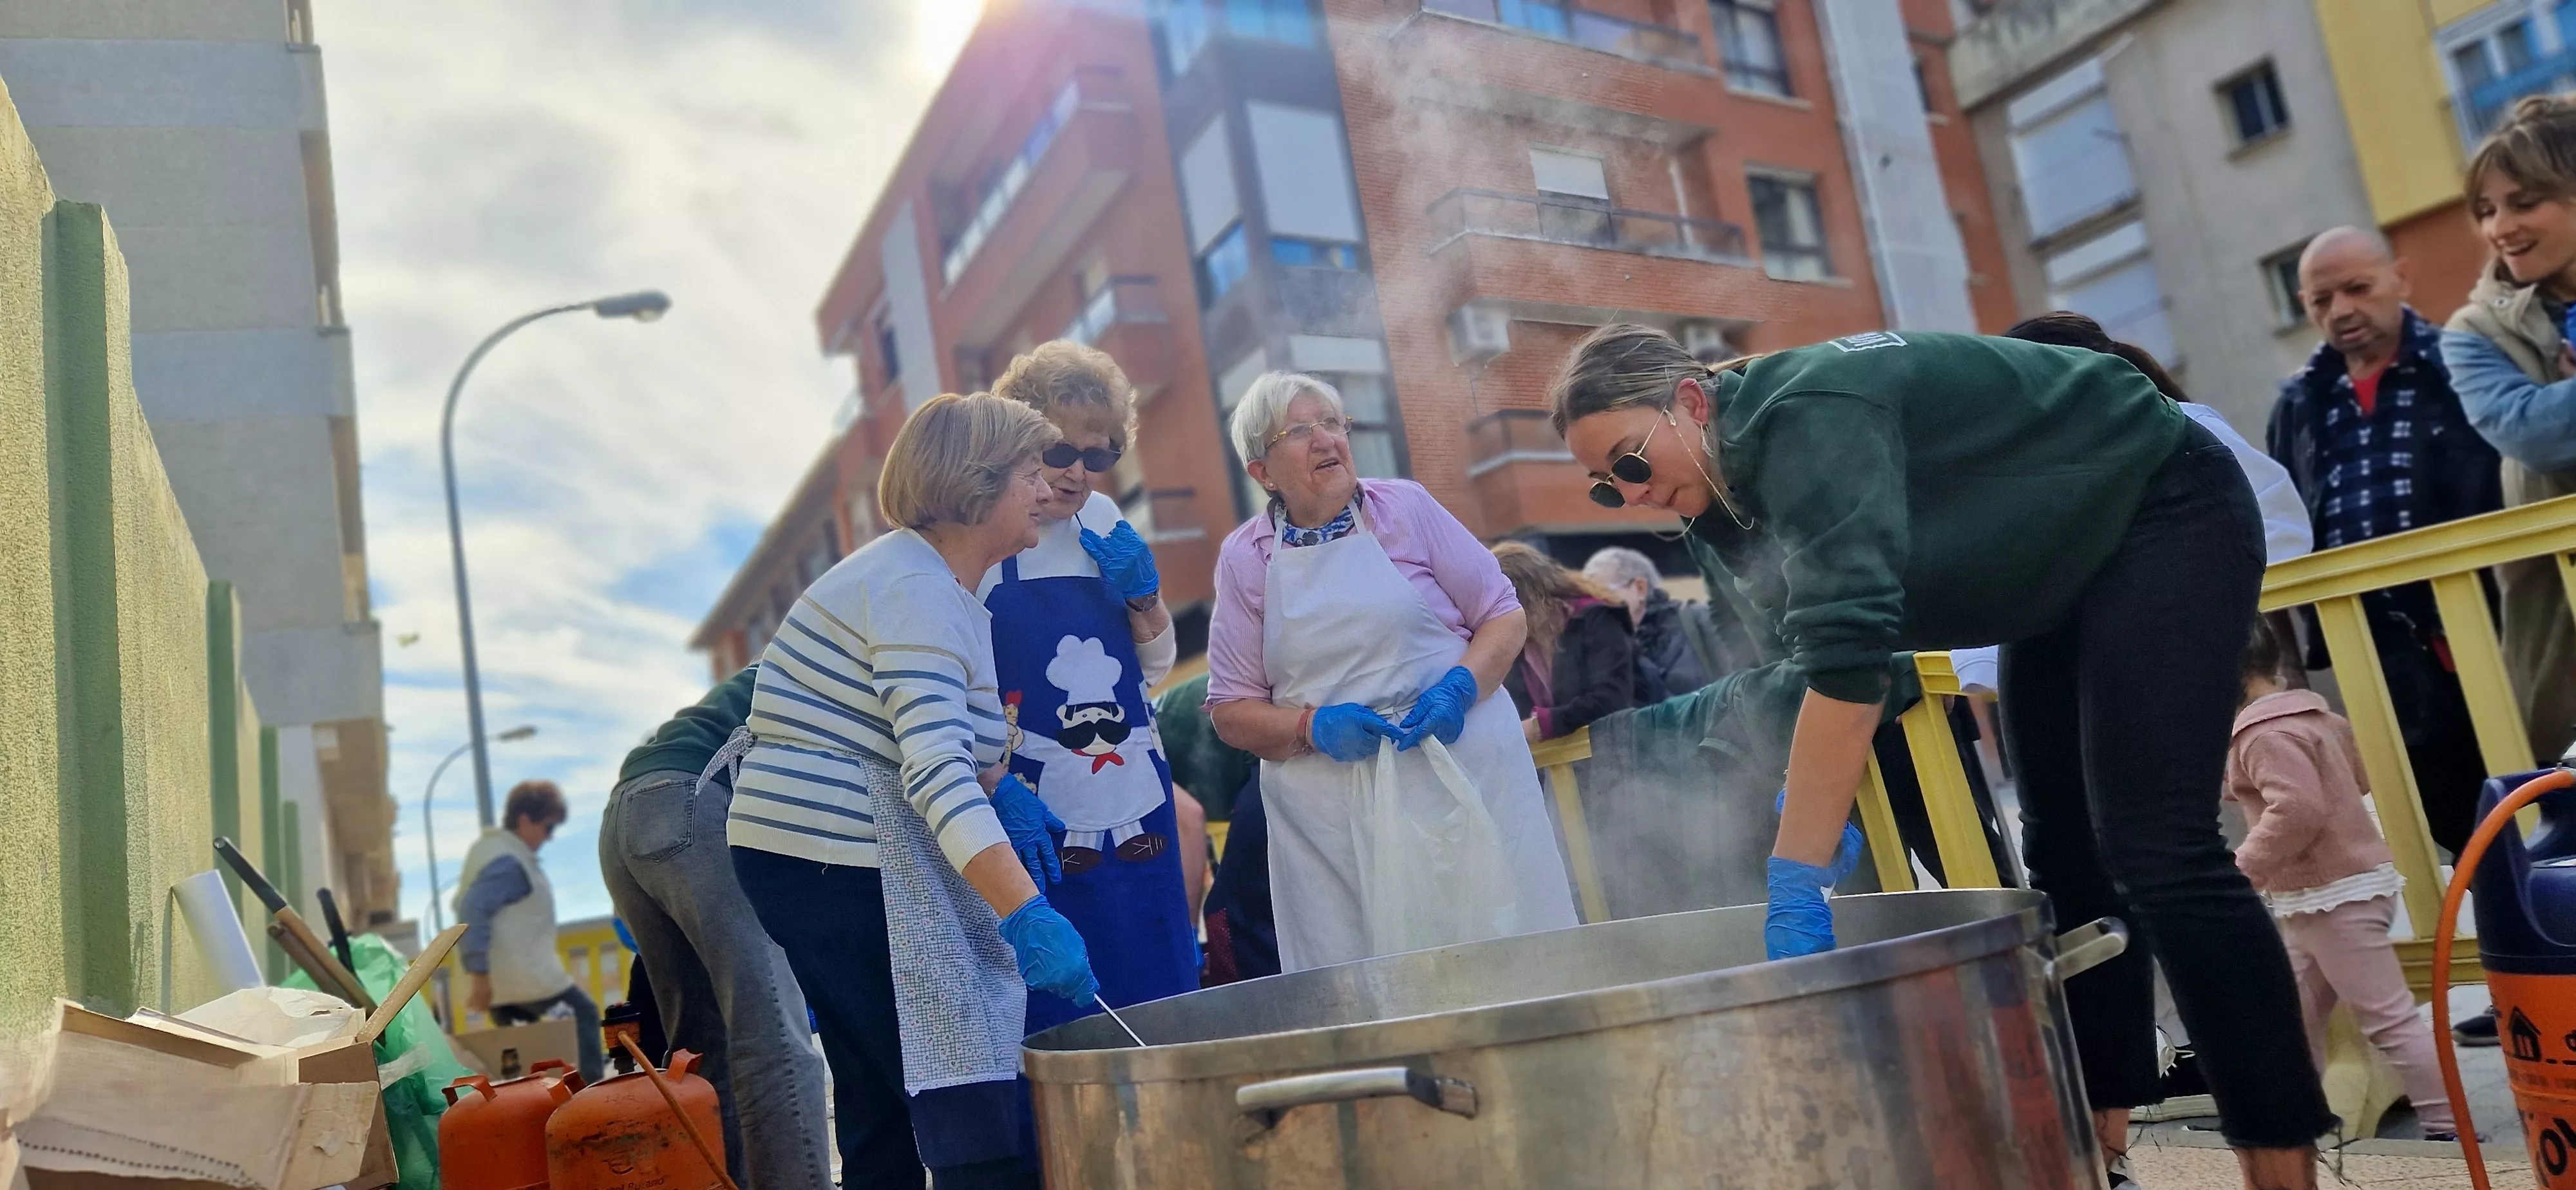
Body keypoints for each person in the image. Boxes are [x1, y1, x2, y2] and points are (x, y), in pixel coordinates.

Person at [1551, 325, 2331, 1189]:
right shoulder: (1719, 512)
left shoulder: (1807, 416)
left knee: (2159, 846)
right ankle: (2096, 1154)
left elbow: (1851, 681)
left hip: (2163, 502)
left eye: (1629, 462)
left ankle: (2279, 1158)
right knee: (2065, 858)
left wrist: (1797, 870)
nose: (1634, 493)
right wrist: (1805, 805)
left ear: (1690, 404)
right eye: (1608, 488)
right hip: (2060, 563)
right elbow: (1794, 677)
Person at [726, 393, 1097, 1190]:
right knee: (944, 1074)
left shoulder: (949, 588)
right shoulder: (915, 588)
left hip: (810, 854)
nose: (1048, 490)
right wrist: (1023, 911)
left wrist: (1005, 791)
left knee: (882, 1097)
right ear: (976, 482)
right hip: (826, 854)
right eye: (1031, 474)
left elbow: (955, 741)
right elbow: (931, 768)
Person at [1204, 371, 1578, 972]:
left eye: (1334, 423)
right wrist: (1311, 727)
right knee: (1369, 974)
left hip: (1466, 775)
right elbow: (1230, 710)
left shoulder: (1405, 507)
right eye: (1301, 430)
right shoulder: (1244, 558)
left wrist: (1461, 688)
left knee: (1509, 952)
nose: (1328, 440)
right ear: (1262, 471)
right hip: (1333, 815)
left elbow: (1502, 615)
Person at [980, 342, 1199, 1034]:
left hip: (1136, 797)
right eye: (1059, 451)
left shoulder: (1106, 524)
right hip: (1036, 814)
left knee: (1158, 989)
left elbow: (1156, 669)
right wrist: (994, 784)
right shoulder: (986, 534)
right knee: (1059, 1011)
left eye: (1098, 456)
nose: (1077, 473)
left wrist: (1146, 598)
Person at [2268, 230, 2503, 859]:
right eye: (2320, 300)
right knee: (2443, 819)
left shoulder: (2461, 361)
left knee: (2524, 785)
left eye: (2357, 288)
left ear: (2399, 277)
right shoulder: (2298, 401)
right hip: (2371, 646)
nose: (2340, 310)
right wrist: (2289, 664)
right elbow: (2280, 523)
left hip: (2486, 624)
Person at [2225, 618, 2461, 1142]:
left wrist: (2243, 867)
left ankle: (2450, 1129)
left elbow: (2299, 808)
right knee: (2297, 1013)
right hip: (2324, 894)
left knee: (2388, 1018)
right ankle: (2300, 1123)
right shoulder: (2315, 718)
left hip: (2331, 896)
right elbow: (2352, 779)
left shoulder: (2263, 735)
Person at [599, 668, 831, 1190]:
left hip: (625, 818)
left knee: (702, 1052)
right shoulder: (842, 661)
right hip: (692, 803)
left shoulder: (780, 664)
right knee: (773, 1037)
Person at [2445, 97, 2576, 775]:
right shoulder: (2473, 333)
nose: (2499, 227)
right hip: (2564, 627)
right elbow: (2535, 436)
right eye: (2487, 209)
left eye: (2522, 203)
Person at [455, 779, 602, 1082]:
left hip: (509, 985)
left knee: (531, 1060)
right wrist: (479, 975)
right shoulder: (509, 862)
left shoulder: (495, 851)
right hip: (527, 981)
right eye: (547, 828)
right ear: (524, 819)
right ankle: (592, 1100)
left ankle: (546, 1111)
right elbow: (473, 910)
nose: (549, 838)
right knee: (583, 1014)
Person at [1492, 541, 1638, 741]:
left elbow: (1612, 699)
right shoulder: (1517, 643)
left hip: (1622, 751)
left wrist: (1542, 725)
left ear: (1530, 595)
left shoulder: (1596, 619)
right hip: (1560, 766)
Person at [1583, 545, 1712, 702]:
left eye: (1601, 595)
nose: (1592, 607)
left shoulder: (1696, 621)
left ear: (1640, 588)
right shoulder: (1606, 644)